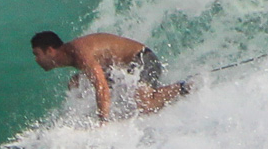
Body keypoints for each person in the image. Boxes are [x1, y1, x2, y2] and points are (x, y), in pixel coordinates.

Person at [30, 31, 190, 122]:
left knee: (145, 104)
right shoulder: (72, 56)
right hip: (121, 68)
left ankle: (184, 86)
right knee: (76, 83)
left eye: (37, 54)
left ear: (50, 51)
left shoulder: (78, 52)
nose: (36, 60)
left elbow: (101, 86)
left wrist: (103, 121)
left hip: (142, 59)